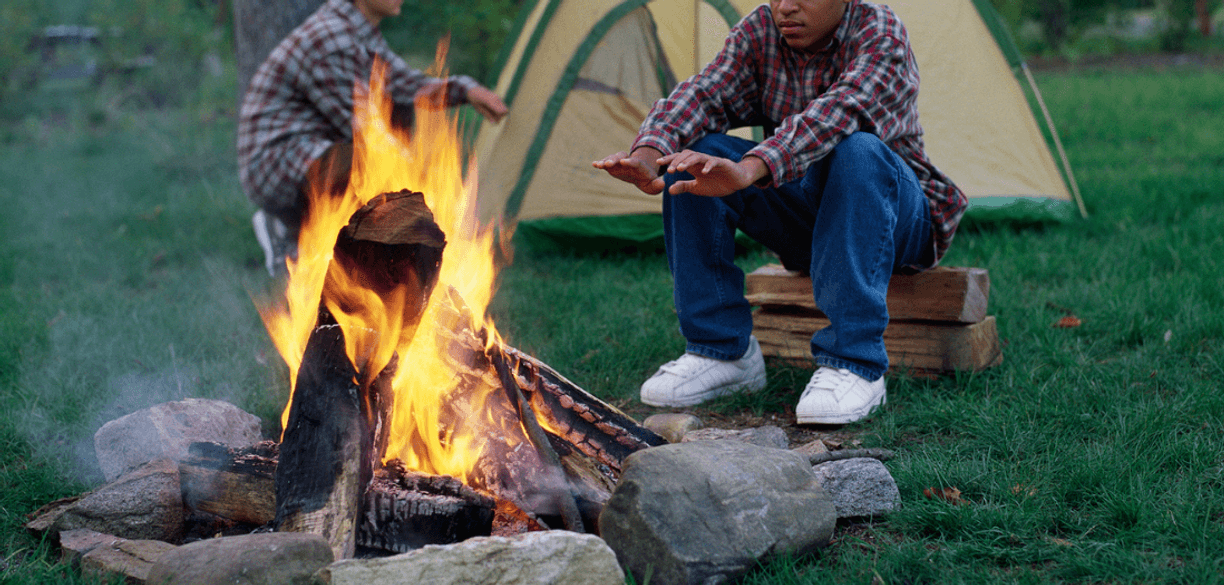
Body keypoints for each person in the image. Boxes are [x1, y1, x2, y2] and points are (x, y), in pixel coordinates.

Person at [593, 0, 967, 425]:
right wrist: (649, 153)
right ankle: (722, 352)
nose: (785, 7)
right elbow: (704, 92)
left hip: (897, 222)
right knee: (700, 157)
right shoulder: (762, 32)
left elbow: (839, 113)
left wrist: (750, 167)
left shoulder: (879, 32)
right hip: (810, 212)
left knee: (857, 150)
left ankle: (854, 363)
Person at [237, 0, 508, 276]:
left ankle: (308, 231)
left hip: (317, 148)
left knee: (399, 110)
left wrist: (465, 90)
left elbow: (404, 84)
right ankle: (288, 224)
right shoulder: (331, 40)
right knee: (367, 169)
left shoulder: (358, 30)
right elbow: (366, 132)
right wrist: (422, 188)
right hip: (276, 163)